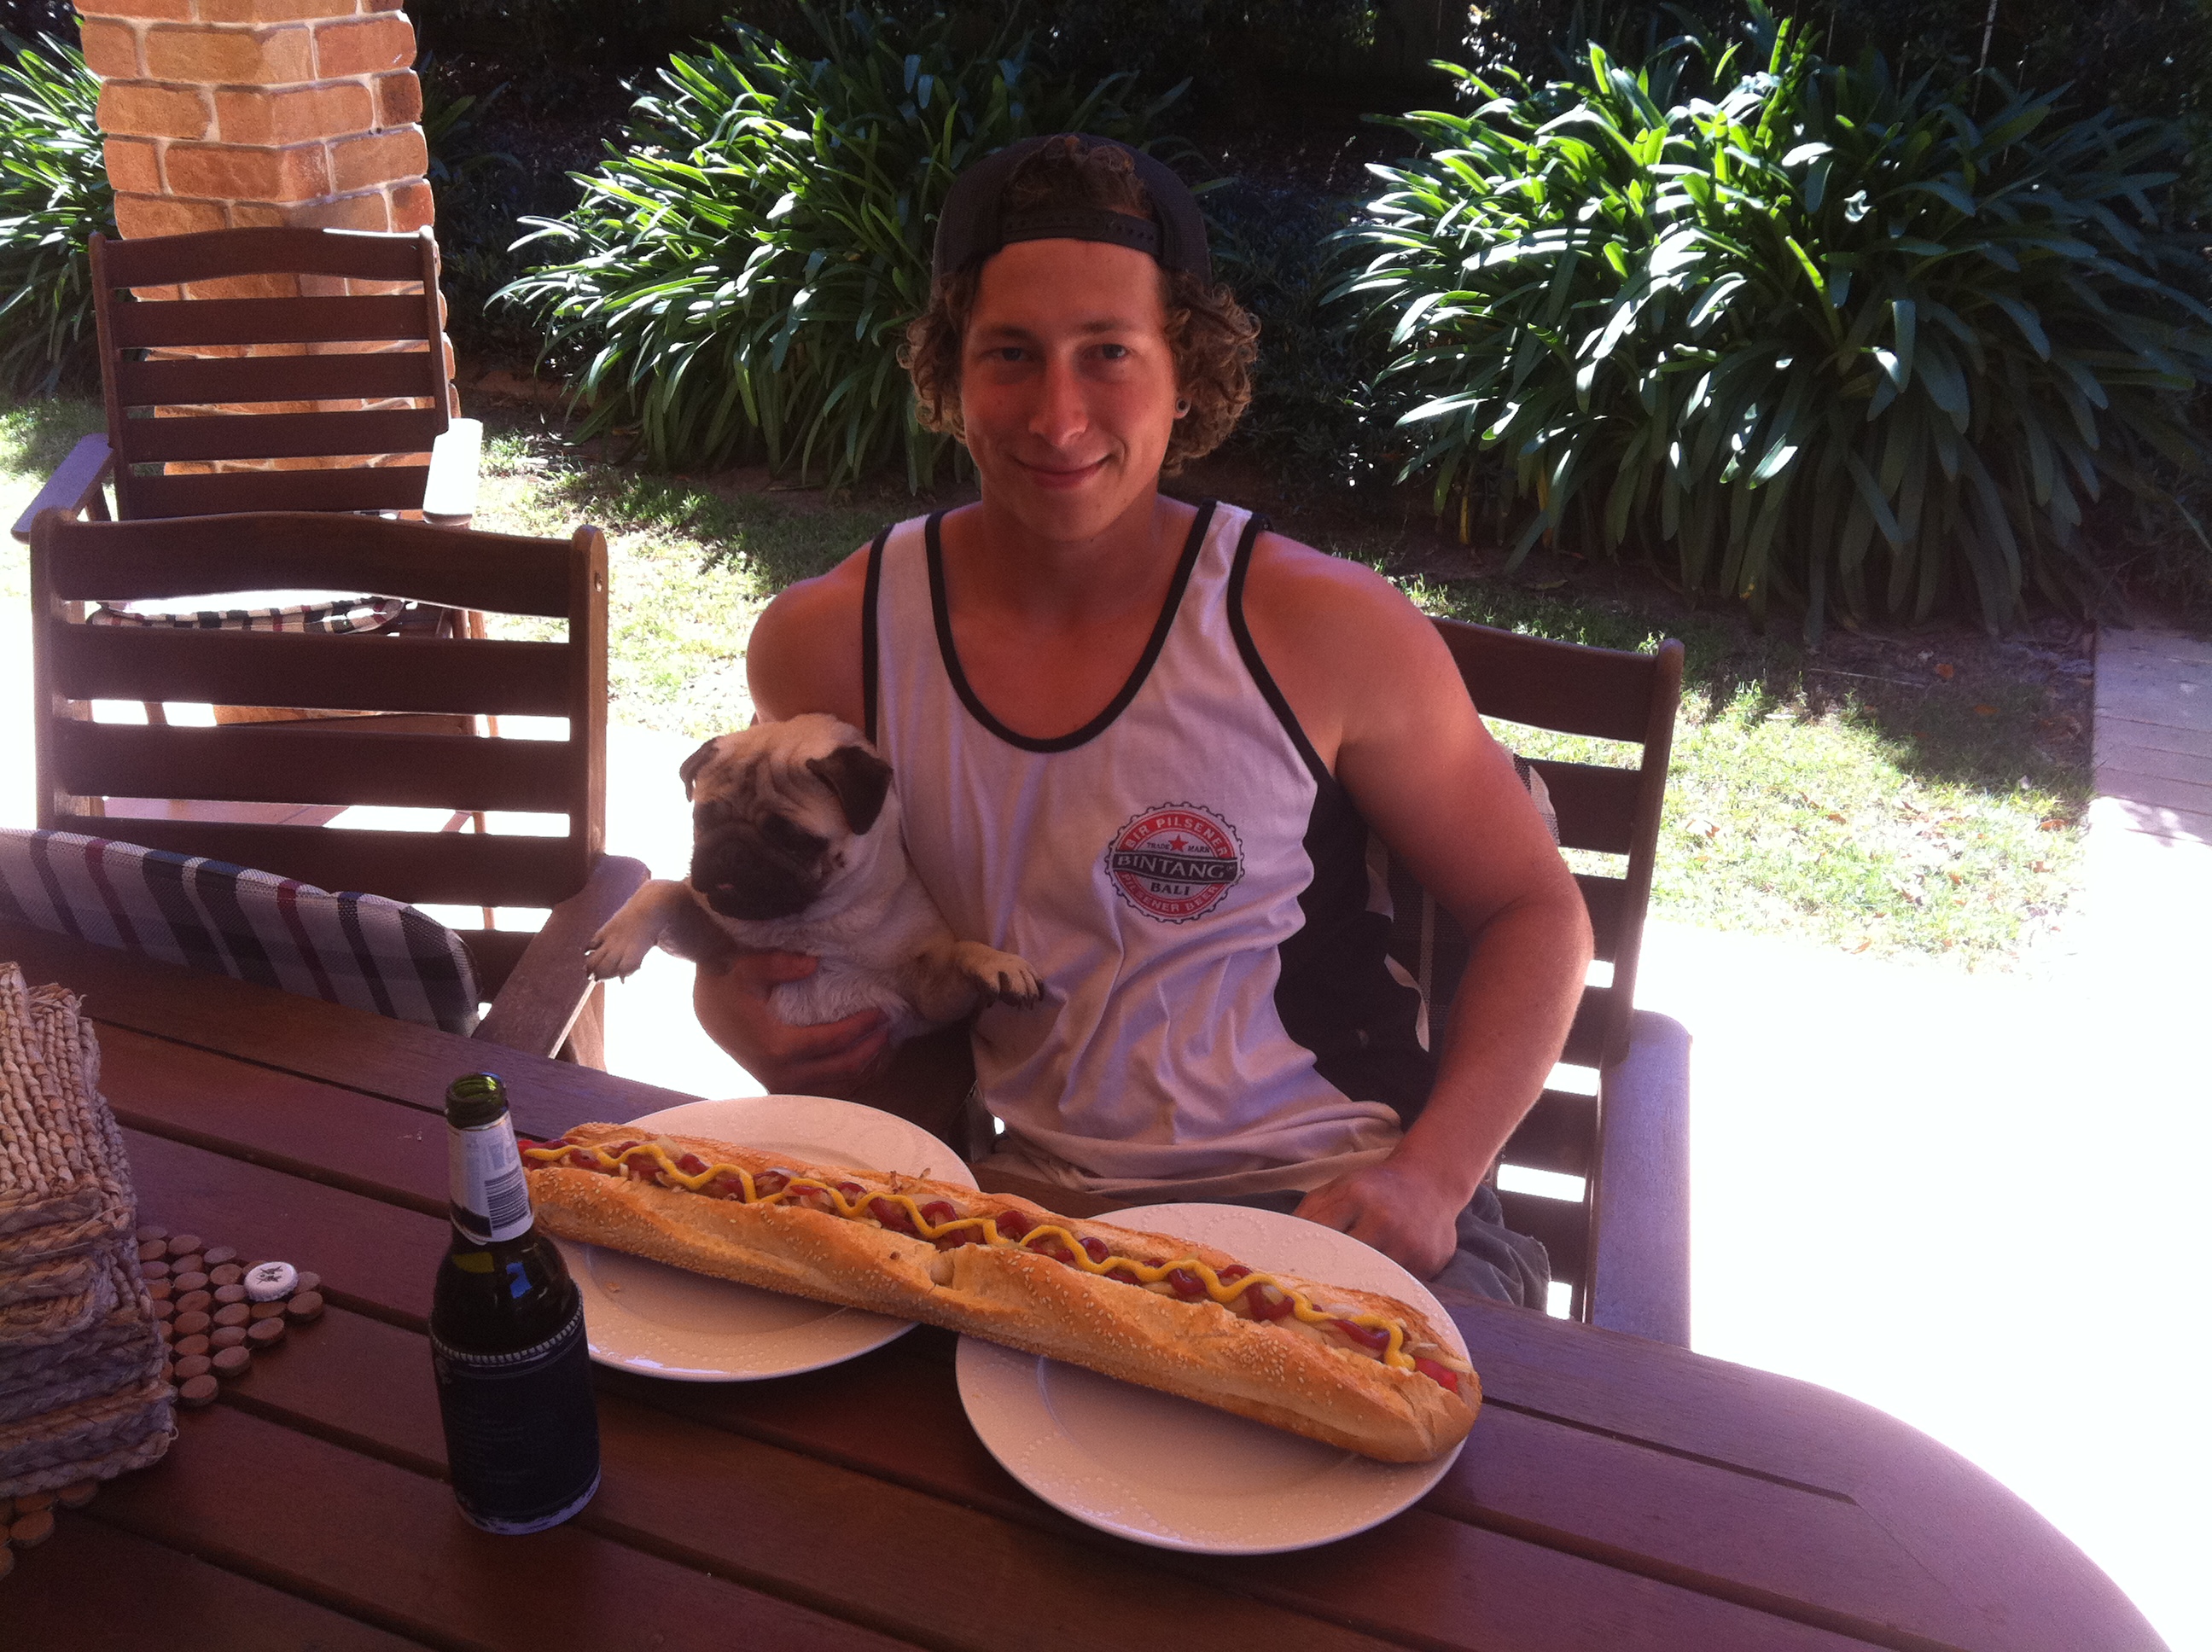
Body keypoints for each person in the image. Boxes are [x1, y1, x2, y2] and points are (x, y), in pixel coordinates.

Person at [696, 134, 1592, 1306]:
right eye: (1010, 354)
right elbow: (816, 916)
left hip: (1333, 1193)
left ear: (1187, 372)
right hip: (1027, 1208)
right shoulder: (830, 644)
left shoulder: (1322, 629)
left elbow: (1534, 910)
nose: (1058, 415)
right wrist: (730, 999)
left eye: (1109, 352)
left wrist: (1434, 1176)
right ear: (951, 372)